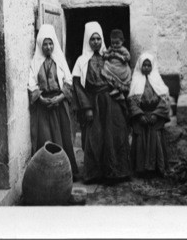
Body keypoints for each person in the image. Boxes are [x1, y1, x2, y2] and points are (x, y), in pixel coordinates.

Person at [72, 21, 131, 184]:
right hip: (93, 102)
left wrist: (120, 92)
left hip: (111, 101)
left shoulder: (110, 56)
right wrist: (86, 107)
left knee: (115, 135)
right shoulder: (81, 61)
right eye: (92, 39)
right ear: (87, 41)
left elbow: (123, 74)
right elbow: (77, 85)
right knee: (95, 138)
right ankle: (95, 174)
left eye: (98, 39)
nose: (96, 42)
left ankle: (116, 172)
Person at [28, 24, 79, 180]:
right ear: (40, 44)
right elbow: (31, 84)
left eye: (51, 43)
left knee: (64, 138)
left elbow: (69, 81)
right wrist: (41, 99)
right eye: (45, 43)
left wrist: (61, 97)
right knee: (45, 139)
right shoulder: (35, 63)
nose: (48, 47)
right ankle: (47, 177)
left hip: (59, 104)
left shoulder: (60, 60)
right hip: (44, 107)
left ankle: (66, 174)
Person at [128, 53, 171, 176]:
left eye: (149, 65)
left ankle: (157, 168)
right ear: (140, 66)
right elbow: (131, 101)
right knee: (140, 141)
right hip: (141, 117)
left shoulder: (157, 81)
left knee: (155, 140)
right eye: (144, 65)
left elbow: (164, 99)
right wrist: (139, 115)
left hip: (154, 117)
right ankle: (141, 170)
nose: (146, 68)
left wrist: (156, 114)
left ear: (152, 66)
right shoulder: (135, 81)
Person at [100, 29, 132, 98]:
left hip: (121, 67)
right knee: (105, 65)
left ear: (122, 41)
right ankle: (116, 89)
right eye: (112, 43)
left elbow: (128, 57)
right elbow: (106, 54)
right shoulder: (111, 48)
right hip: (112, 66)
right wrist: (106, 55)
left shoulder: (123, 49)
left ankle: (120, 90)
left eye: (117, 43)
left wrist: (120, 57)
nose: (114, 45)